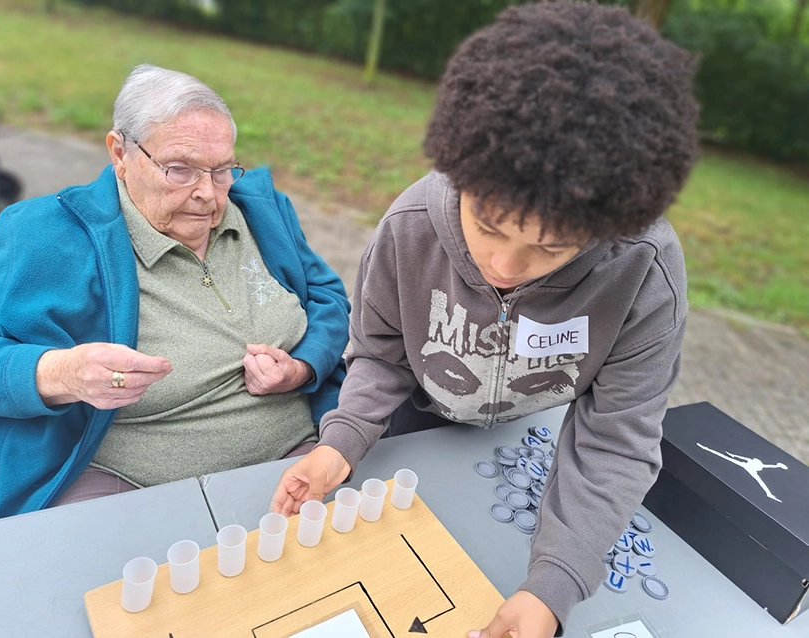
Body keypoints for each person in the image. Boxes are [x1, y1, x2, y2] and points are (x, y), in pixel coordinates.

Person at [271, 3, 698, 637]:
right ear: (458, 173)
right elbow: (381, 353)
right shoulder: (409, 228)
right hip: (413, 425)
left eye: (549, 249)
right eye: (486, 225)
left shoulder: (644, 271)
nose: (502, 265)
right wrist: (344, 440)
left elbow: (615, 439)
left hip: (529, 434)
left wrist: (552, 589)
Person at [0, 64, 350, 521]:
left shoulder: (261, 209)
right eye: (180, 170)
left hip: (295, 459)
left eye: (222, 169)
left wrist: (303, 367)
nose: (208, 194)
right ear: (120, 154)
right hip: (123, 480)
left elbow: (327, 295)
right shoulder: (42, 236)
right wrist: (63, 373)